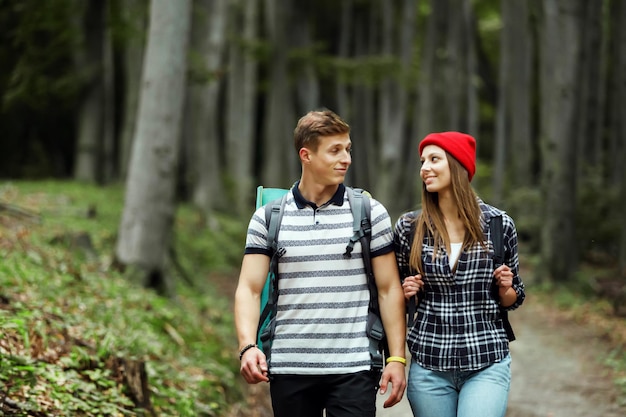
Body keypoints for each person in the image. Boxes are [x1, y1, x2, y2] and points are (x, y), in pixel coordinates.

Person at [234, 109, 407, 417]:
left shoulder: (370, 213)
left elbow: (389, 288)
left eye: (348, 149)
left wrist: (396, 358)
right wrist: (248, 345)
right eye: (335, 150)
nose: (347, 159)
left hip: (355, 366)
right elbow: (249, 288)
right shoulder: (269, 217)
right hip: (289, 367)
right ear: (307, 155)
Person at [393, 131, 525, 417]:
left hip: (486, 360)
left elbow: (514, 299)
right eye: (422, 161)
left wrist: (505, 289)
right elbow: (393, 299)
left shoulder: (499, 225)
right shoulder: (410, 228)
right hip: (429, 365)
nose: (424, 167)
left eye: (434, 159)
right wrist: (405, 293)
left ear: (458, 165)